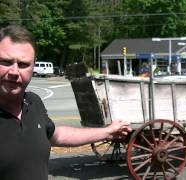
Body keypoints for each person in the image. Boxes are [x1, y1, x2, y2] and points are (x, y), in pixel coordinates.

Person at [0, 25, 132, 180]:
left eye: (23, 64)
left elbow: (56, 135)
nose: (14, 72)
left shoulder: (32, 102)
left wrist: (107, 132)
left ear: (33, 65)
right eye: (6, 62)